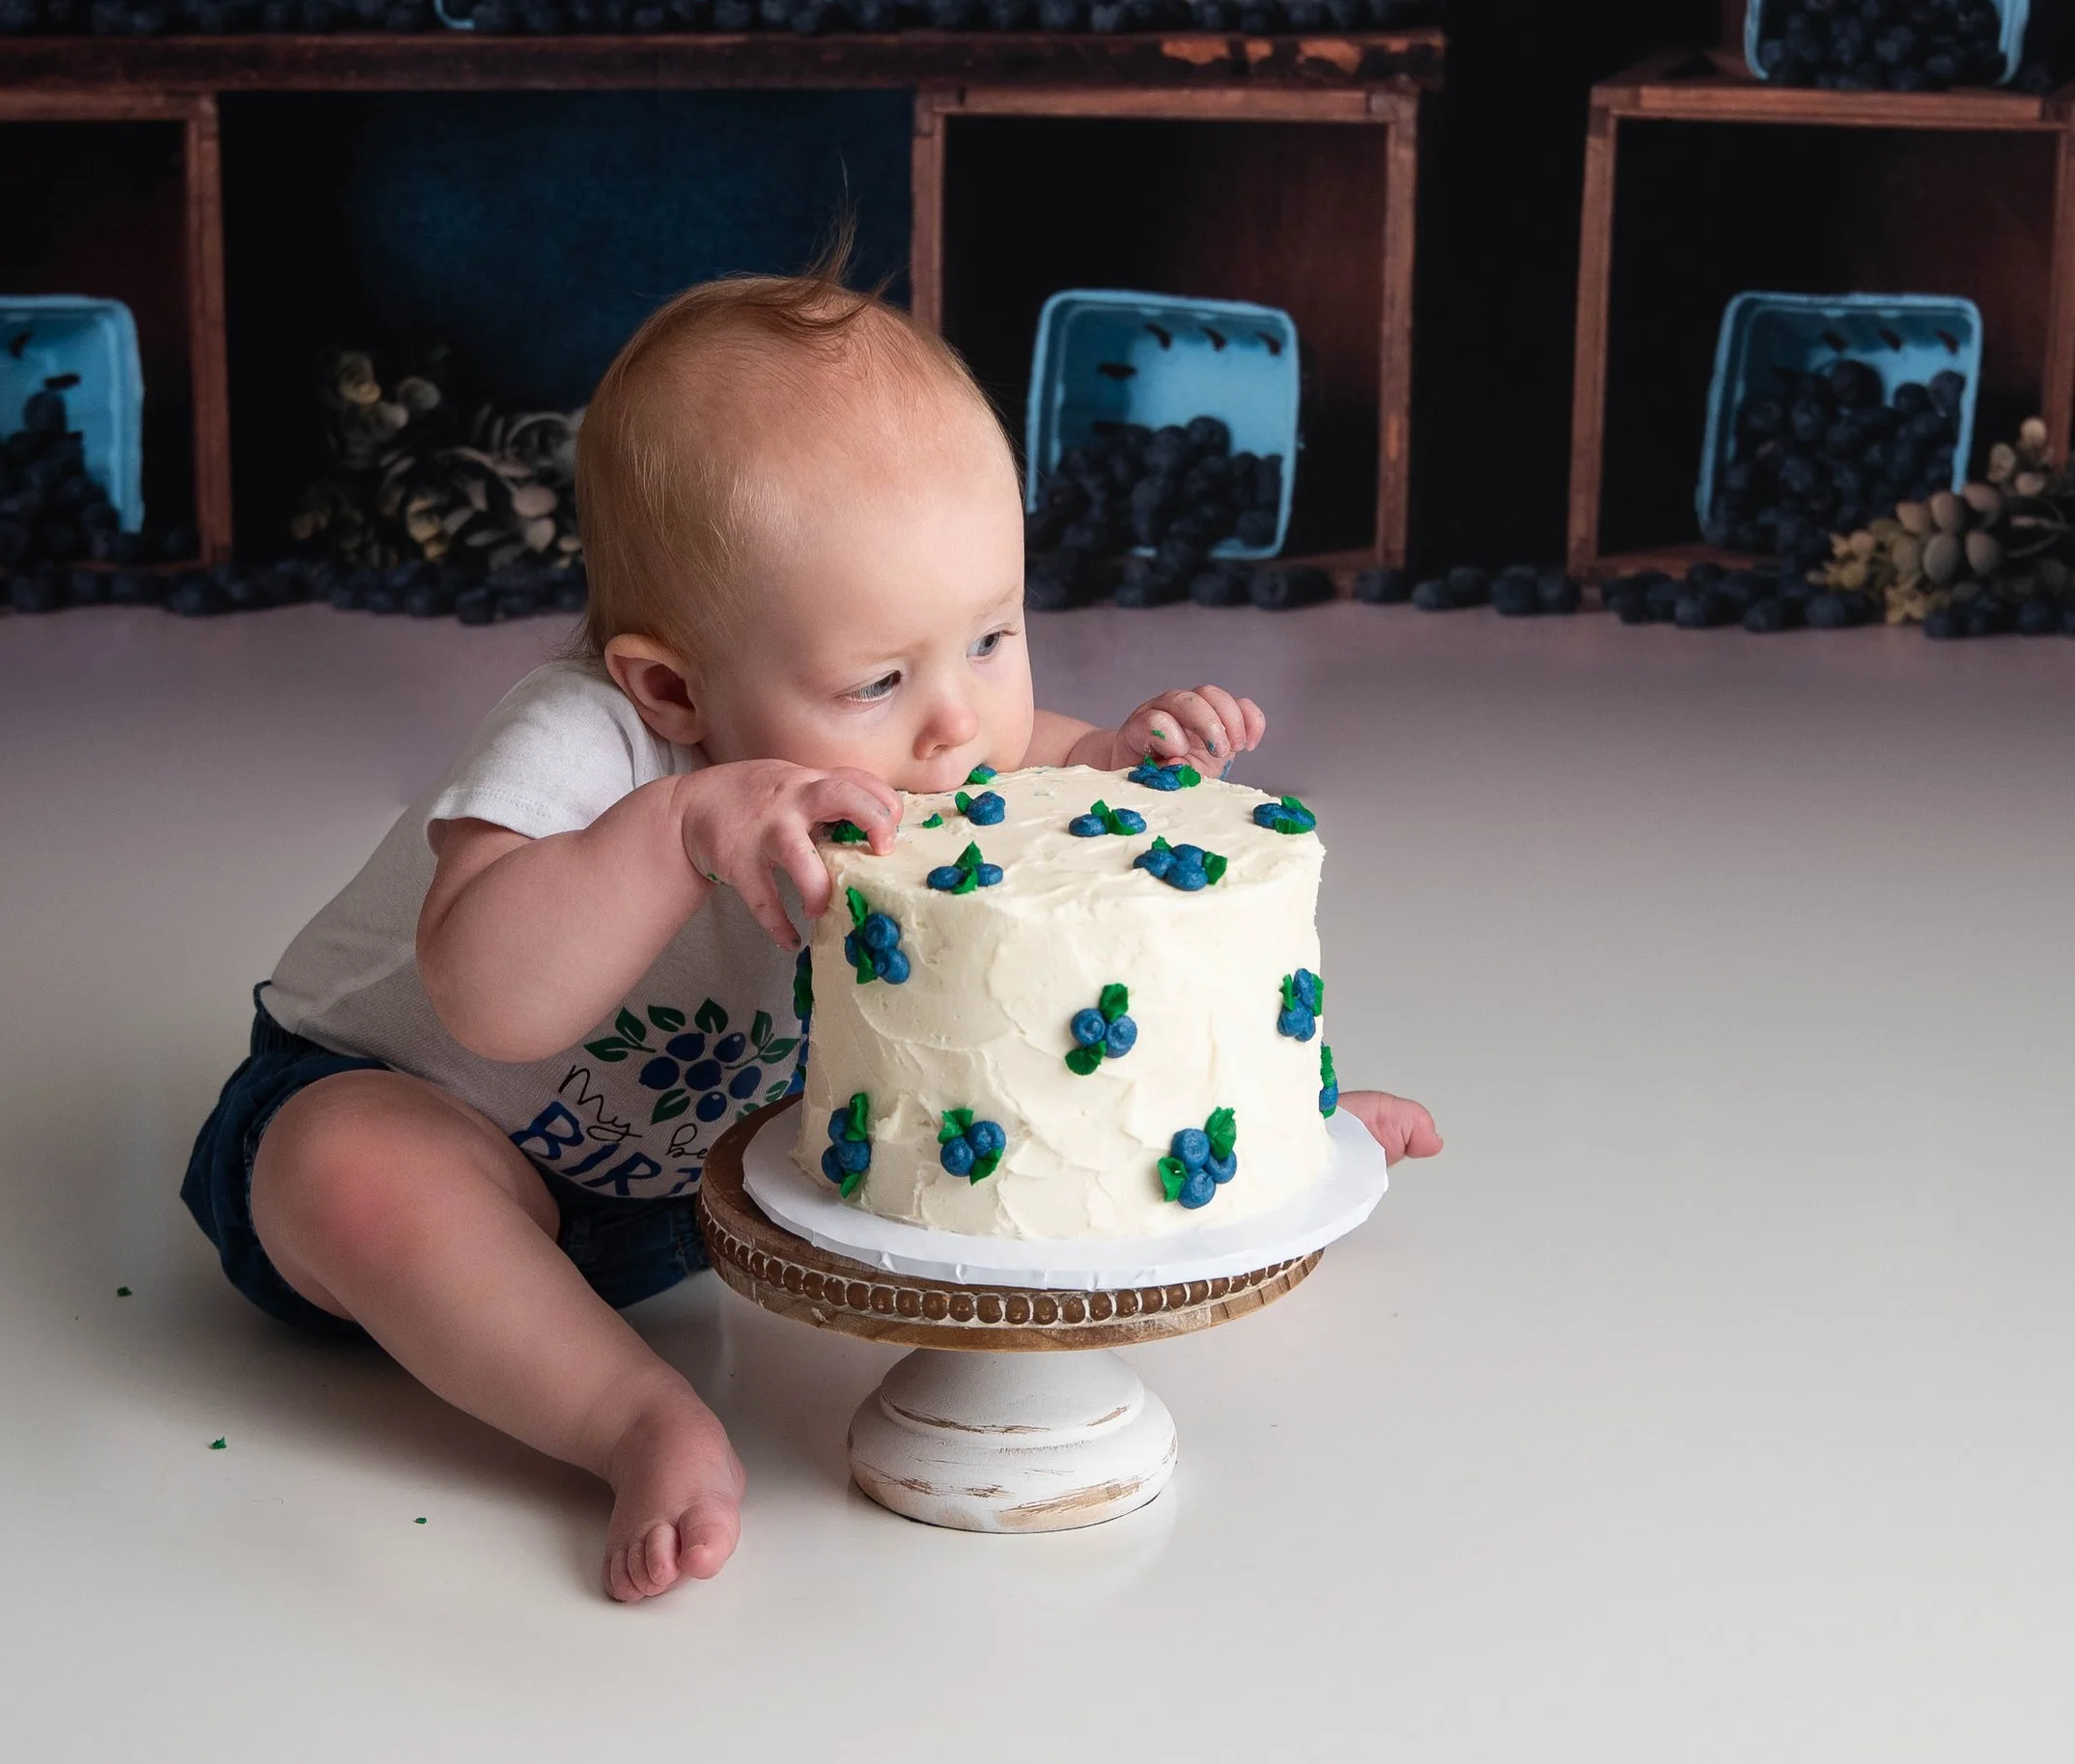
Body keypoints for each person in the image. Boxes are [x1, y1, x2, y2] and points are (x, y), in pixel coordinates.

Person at [182, 251, 1443, 1604]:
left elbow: (1040, 795)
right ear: (671, 685)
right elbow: (489, 996)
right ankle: (631, 1420)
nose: (959, 725)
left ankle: (1231, 1155)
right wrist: (673, 834)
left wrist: (1123, 767)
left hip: (715, 1185)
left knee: (1021, 1042)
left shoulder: (938, 741)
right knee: (355, 1166)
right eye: (880, 679)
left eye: (993, 638)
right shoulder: (584, 742)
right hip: (439, 1124)